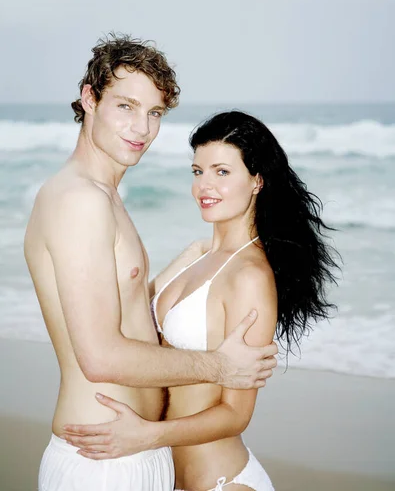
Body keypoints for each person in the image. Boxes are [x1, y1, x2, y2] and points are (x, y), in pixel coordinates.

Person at [24, 36, 278, 491]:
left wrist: (196, 255)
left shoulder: (104, 197)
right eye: (125, 106)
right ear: (89, 99)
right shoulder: (81, 200)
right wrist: (220, 367)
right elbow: (100, 356)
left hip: (133, 453)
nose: (140, 127)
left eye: (154, 113)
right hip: (104, 460)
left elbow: (123, 308)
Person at [62, 110, 339, 491]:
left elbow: (235, 414)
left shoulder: (250, 277)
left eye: (222, 172)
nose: (204, 186)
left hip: (222, 481)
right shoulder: (200, 255)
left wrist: (147, 435)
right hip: (170, 479)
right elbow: (138, 319)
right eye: (197, 171)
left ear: (257, 180)